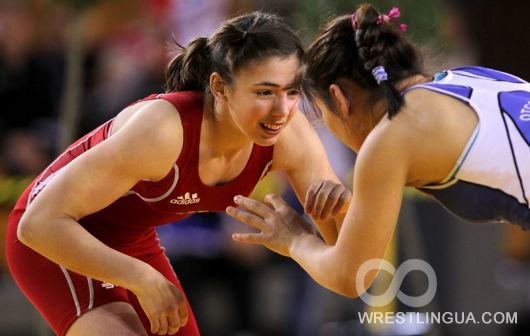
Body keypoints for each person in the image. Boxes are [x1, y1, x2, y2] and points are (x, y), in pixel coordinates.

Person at [5, 11, 351, 336]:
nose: (283, 110)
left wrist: (338, 213)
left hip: (131, 241)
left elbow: (348, 268)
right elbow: (37, 224)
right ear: (219, 88)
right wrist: (140, 276)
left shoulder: (291, 135)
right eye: (265, 92)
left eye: (292, 92)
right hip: (54, 235)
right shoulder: (164, 130)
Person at [226, 4, 530, 298]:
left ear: (339, 100)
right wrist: (346, 211)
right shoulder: (471, 77)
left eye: (323, 115)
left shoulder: (392, 136)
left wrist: (293, 239)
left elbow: (351, 276)